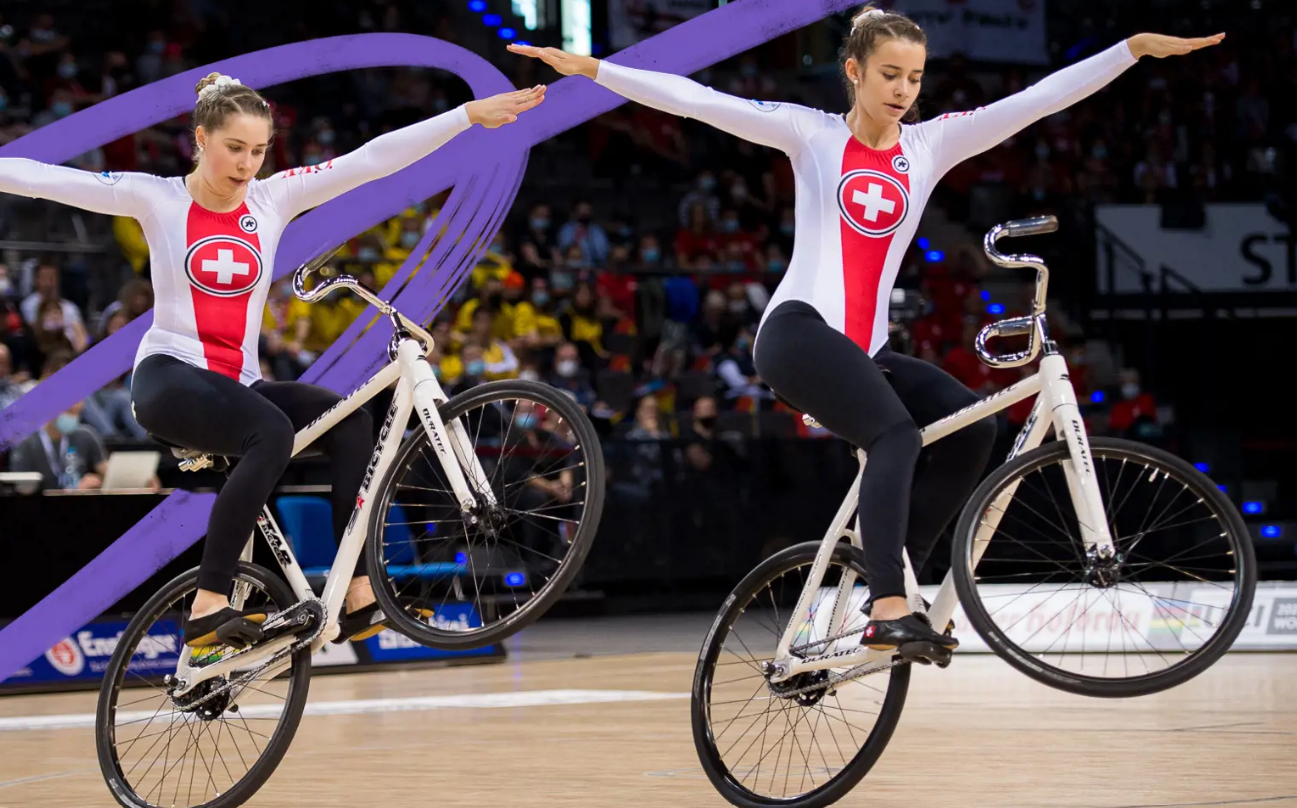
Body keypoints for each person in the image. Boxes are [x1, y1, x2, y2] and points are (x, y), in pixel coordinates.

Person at [512, 8, 1222, 660]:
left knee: (973, 430)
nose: (904, 89)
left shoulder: (933, 144)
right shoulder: (809, 133)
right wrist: (596, 69)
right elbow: (697, 101)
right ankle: (886, 603)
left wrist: (1128, 51)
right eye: (890, 74)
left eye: (915, 77)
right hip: (797, 333)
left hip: (869, 349)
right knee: (896, 435)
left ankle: (895, 573)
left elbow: (1036, 102)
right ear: (854, 71)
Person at [0, 73, 545, 653]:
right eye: (233, 149)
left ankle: (360, 592)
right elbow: (44, 181)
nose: (247, 164)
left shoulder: (272, 200)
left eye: (258, 150)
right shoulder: (156, 198)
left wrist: (466, 116)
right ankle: (209, 607)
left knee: (348, 417)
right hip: (167, 379)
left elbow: (371, 159)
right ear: (200, 140)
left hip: (236, 382)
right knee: (271, 432)